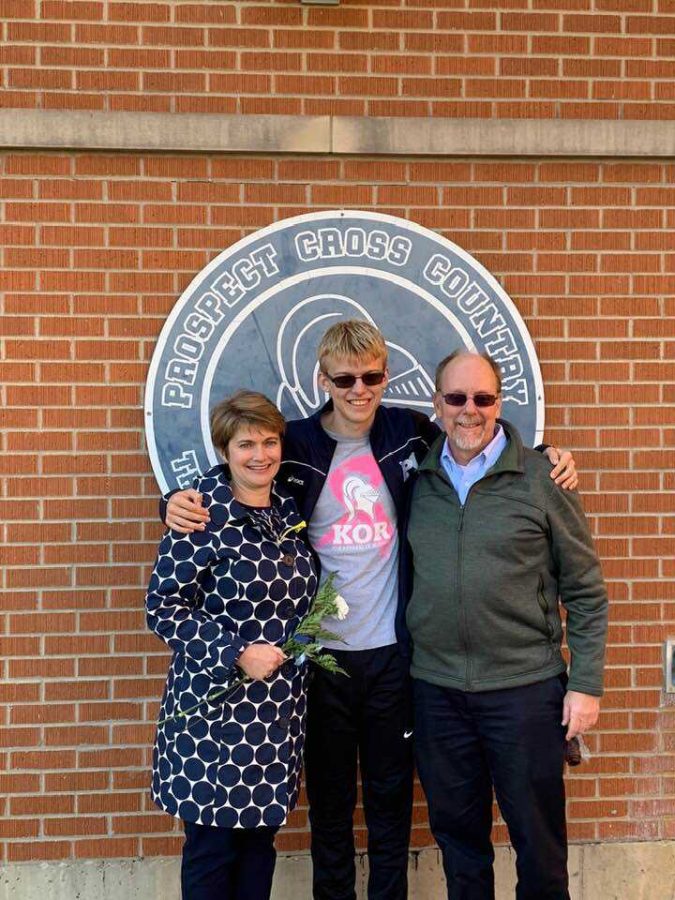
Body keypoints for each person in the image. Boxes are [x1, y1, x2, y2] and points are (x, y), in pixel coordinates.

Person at [162, 321, 578, 900]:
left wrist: (544, 455)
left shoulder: (408, 433)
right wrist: (175, 501)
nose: (359, 389)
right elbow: (244, 471)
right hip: (321, 662)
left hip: (392, 659)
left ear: (386, 376)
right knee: (330, 811)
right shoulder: (299, 444)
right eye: (345, 378)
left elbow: (475, 441)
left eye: (372, 377)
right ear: (323, 379)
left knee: (389, 810)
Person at [405, 350, 608, 900]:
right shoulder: (417, 481)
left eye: (483, 398)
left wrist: (585, 684)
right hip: (438, 693)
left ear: (498, 402)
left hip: (525, 691)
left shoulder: (542, 477)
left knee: (539, 847)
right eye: (456, 398)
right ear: (436, 405)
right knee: (459, 845)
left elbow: (586, 590)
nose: (470, 411)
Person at [146, 390, 318, 900]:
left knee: (259, 849)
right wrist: (236, 651)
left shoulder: (286, 511)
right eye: (246, 444)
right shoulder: (200, 514)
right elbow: (163, 607)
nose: (260, 455)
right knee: (213, 851)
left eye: (269, 441)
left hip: (274, 716)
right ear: (226, 451)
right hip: (214, 717)